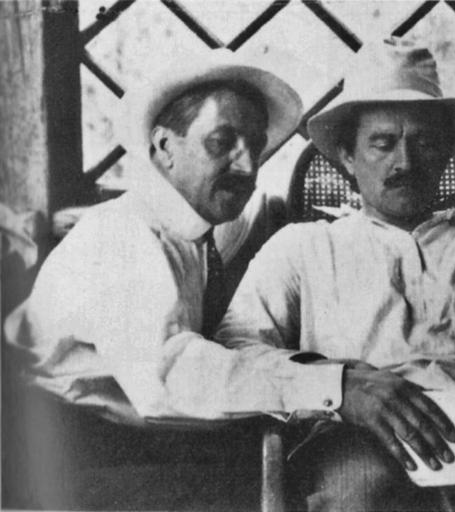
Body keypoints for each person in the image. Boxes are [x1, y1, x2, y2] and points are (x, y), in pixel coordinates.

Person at [215, 38, 455, 510]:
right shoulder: (303, 247)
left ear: (446, 153)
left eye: (425, 143)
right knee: (359, 487)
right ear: (347, 156)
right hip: (358, 444)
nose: (405, 162)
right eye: (383, 143)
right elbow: (233, 352)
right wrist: (337, 385)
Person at [4, 48, 324, 426]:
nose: (247, 166)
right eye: (221, 142)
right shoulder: (122, 237)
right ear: (165, 147)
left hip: (120, 429)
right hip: (55, 430)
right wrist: (323, 386)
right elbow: (172, 376)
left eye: (255, 146)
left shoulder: (194, 231)